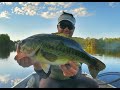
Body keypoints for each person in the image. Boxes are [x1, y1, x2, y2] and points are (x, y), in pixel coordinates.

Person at [15, 11, 99, 88]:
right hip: (52, 80)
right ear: (57, 26)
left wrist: (74, 74)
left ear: (73, 29)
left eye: (70, 26)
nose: (66, 29)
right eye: (63, 25)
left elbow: (78, 73)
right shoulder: (45, 41)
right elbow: (44, 75)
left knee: (93, 85)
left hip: (72, 80)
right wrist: (36, 64)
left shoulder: (75, 45)